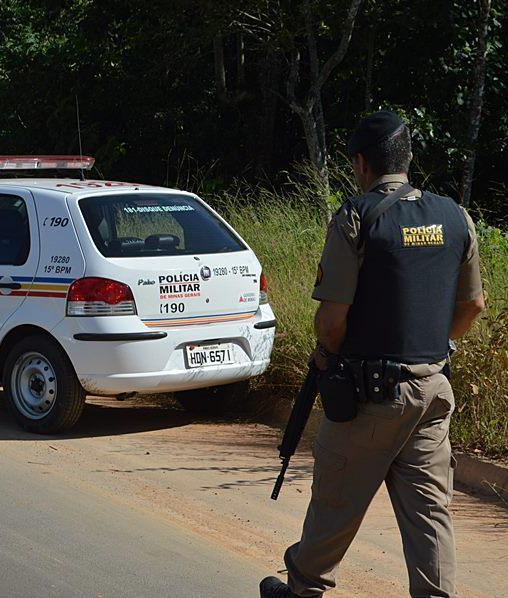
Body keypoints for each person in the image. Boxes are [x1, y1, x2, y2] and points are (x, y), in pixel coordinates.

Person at [259, 111, 485, 598]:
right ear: (409, 159)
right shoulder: (456, 217)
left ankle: (301, 587)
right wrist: (437, 346)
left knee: (337, 502)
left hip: (370, 398)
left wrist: (328, 356)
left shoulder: (356, 217)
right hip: (432, 393)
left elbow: (332, 322)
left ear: (362, 163)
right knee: (430, 514)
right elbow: (474, 305)